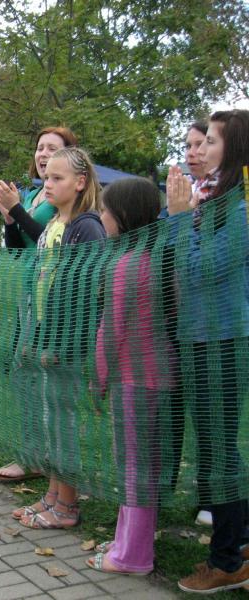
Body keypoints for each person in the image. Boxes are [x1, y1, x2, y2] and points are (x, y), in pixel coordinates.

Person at [166, 109, 249, 594]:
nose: (199, 149)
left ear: (233, 149)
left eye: (210, 141)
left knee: (219, 453)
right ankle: (239, 541)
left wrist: (180, 220)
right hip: (201, 338)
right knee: (217, 448)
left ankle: (226, 563)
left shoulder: (240, 209)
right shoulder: (213, 201)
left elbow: (203, 270)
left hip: (222, 342)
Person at [13, 146, 106, 529]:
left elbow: (86, 295)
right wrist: (37, 337)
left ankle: (67, 505)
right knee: (51, 420)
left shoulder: (87, 227)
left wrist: (63, 345)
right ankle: (52, 495)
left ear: (80, 182)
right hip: (46, 336)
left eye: (57, 178)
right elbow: (43, 285)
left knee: (63, 424)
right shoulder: (55, 222)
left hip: (67, 344)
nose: (47, 184)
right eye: (46, 177)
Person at [86, 177, 172, 575]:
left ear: (123, 215)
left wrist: (98, 379)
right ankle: (129, 542)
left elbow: (111, 329)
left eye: (105, 209)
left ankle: (133, 556)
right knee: (143, 465)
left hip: (135, 381)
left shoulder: (126, 264)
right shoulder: (154, 257)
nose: (101, 215)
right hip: (158, 378)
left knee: (135, 467)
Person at [0, 126, 79, 483]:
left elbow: (47, 239)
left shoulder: (62, 198)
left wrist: (16, 209)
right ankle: (33, 454)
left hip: (52, 298)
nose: (43, 154)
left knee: (45, 378)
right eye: (40, 147)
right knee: (22, 372)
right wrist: (10, 218)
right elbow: (17, 250)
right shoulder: (32, 195)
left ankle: (52, 463)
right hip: (28, 293)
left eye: (52, 148)